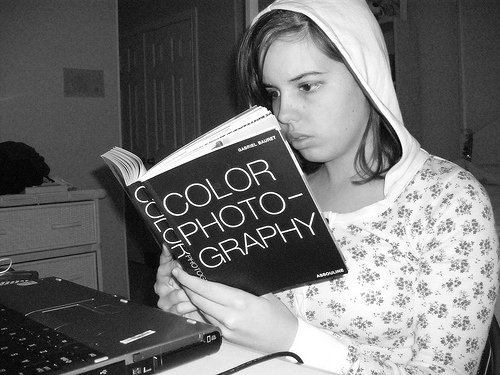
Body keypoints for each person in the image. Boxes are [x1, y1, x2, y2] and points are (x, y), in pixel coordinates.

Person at [154, 0, 500, 374]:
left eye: (307, 85)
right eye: (273, 93)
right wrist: (191, 308)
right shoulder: (264, 196)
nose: (284, 113)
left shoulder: (447, 200)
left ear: (365, 74)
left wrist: (294, 340)